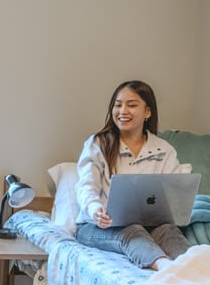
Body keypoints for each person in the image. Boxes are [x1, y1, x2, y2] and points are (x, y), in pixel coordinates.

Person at [75, 79, 192, 271]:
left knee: (169, 231)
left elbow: (174, 193)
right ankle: (165, 268)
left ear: (147, 112)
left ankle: (195, 268)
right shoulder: (97, 144)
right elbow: (86, 185)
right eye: (118, 105)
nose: (122, 111)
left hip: (151, 225)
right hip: (97, 227)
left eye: (131, 105)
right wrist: (95, 209)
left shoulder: (164, 150)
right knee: (132, 231)